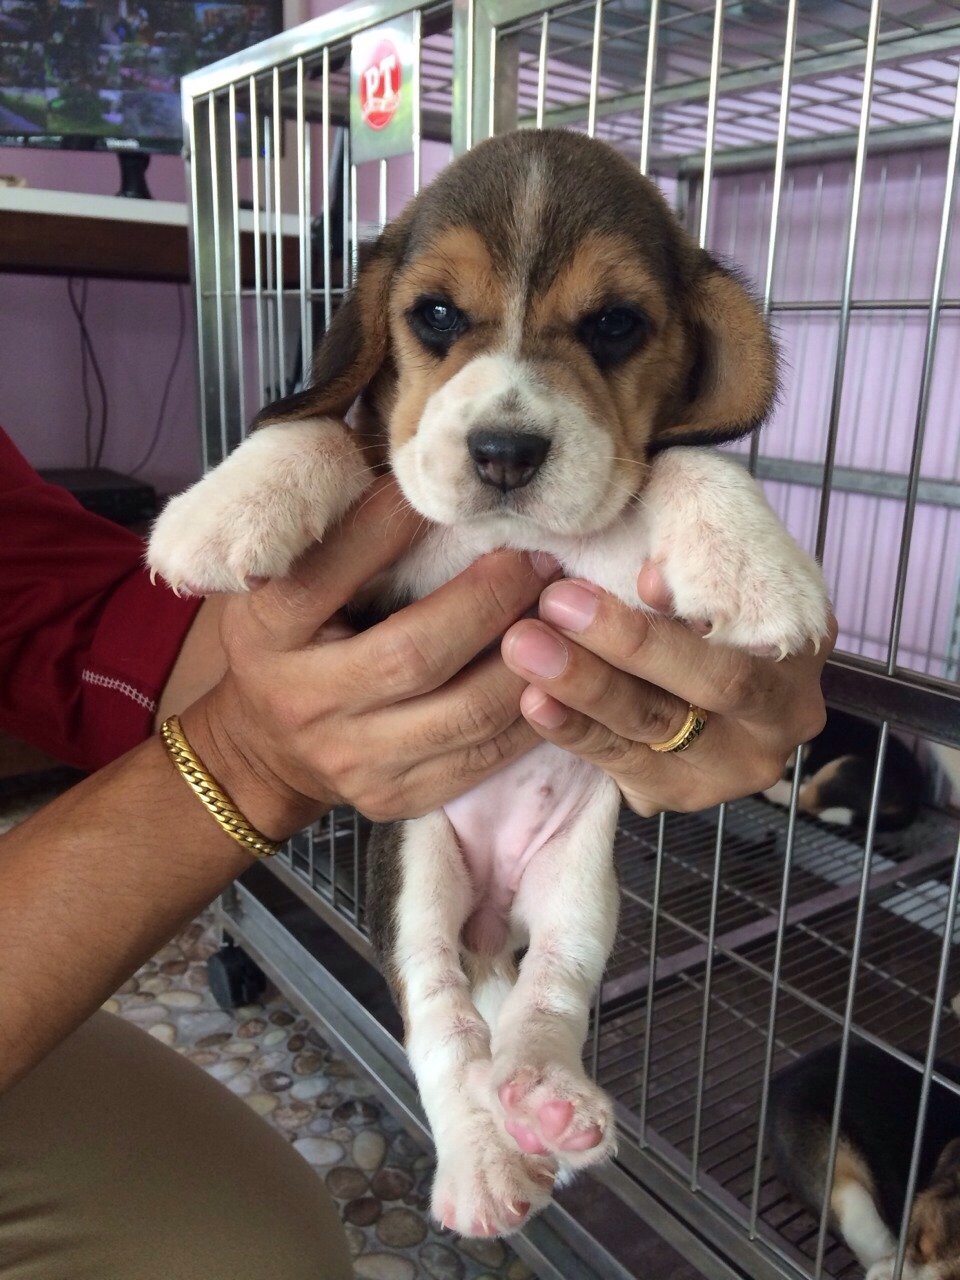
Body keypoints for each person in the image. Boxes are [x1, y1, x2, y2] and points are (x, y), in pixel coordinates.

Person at [0, 425, 833, 1278]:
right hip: (446, 822)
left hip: (560, 804)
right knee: (434, 969)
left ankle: (539, 1047)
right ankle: (465, 1106)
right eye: (438, 341)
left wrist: (708, 550)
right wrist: (244, 755)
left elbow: (68, 615)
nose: (508, 434)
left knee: (556, 960)